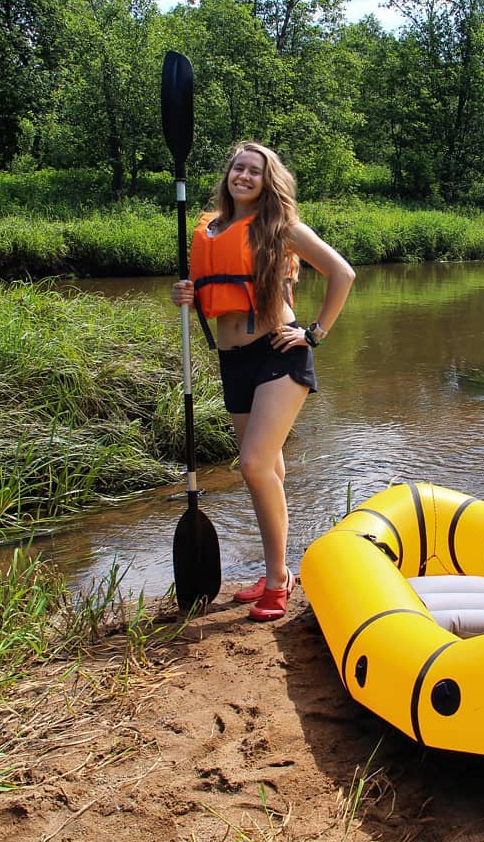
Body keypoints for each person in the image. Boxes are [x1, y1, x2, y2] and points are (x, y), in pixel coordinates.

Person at [171, 141, 355, 622]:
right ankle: (278, 570)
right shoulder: (211, 229)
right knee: (266, 472)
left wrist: (314, 333)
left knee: (253, 465)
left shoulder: (281, 227)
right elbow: (211, 290)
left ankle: (277, 581)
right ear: (228, 175)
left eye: (255, 171)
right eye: (239, 168)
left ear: (267, 180)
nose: (245, 176)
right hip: (233, 361)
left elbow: (342, 272)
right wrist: (185, 294)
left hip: (278, 352)